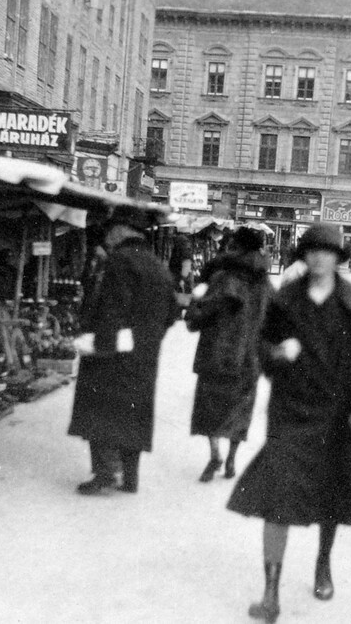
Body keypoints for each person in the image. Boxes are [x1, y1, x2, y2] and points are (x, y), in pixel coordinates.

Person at [227, 222, 351, 622]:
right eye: (312, 250)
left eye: (326, 251)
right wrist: (277, 353)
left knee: (331, 495)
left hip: (339, 416)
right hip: (291, 413)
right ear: (304, 255)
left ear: (337, 258)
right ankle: (270, 594)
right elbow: (260, 345)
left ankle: (323, 564)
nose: (318, 257)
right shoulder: (286, 300)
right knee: (276, 497)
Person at [67, 208, 178, 496]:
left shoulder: (117, 262)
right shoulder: (159, 266)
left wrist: (99, 343)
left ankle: (105, 474)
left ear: (121, 230)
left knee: (101, 409)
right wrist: (148, 340)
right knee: (134, 414)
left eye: (110, 229)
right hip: (144, 357)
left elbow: (110, 309)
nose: (106, 235)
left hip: (111, 354)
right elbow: (172, 314)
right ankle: (130, 477)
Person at [186, 227, 272, 482]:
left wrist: (193, 310)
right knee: (240, 411)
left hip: (217, 355)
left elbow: (203, 313)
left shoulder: (224, 278)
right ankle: (232, 458)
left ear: (236, 247)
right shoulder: (265, 284)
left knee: (210, 408)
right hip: (250, 358)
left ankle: (215, 455)